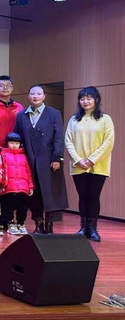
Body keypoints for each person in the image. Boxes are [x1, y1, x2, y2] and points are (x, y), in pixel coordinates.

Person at [14, 84, 68, 234]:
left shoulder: (53, 114)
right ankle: (38, 222)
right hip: (29, 160)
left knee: (52, 193)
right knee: (34, 193)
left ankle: (50, 224)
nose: (35, 96)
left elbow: (58, 137)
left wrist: (57, 157)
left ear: (44, 96)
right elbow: (17, 137)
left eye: (38, 94)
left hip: (50, 160)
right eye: (32, 94)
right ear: (28, 96)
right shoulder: (21, 115)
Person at [65, 86, 115, 242]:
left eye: (89, 98)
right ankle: (83, 227)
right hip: (78, 165)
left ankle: (92, 228)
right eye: (82, 98)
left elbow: (108, 142)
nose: (85, 101)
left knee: (93, 196)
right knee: (83, 196)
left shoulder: (105, 119)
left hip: (98, 165)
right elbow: (68, 141)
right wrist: (78, 160)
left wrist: (92, 160)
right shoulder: (74, 120)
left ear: (96, 100)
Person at [0, 133, 33, 235]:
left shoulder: (24, 156)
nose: (14, 145)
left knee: (22, 208)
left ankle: (21, 223)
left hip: (23, 187)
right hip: (8, 187)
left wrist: (30, 186)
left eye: (17, 143)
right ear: (7, 143)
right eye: (12, 143)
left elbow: (28, 172)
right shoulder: (3, 154)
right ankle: (10, 223)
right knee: (8, 207)